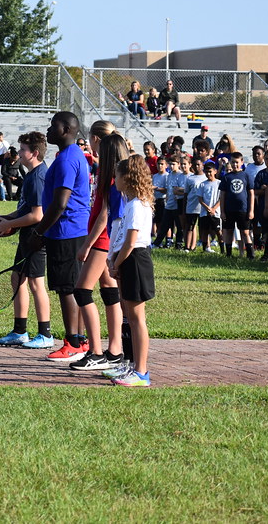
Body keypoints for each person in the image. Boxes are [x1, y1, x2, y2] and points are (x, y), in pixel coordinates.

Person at [27, 111, 91, 361]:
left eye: (53, 125)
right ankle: (81, 341)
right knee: (74, 287)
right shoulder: (72, 154)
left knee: (67, 289)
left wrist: (39, 231)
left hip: (66, 231)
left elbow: (60, 203)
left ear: (66, 130)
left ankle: (73, 342)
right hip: (71, 229)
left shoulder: (66, 159)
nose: (48, 129)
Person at [68, 126, 129, 372]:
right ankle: (114, 351)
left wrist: (87, 243)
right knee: (109, 292)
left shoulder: (112, 179)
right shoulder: (114, 175)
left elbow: (104, 215)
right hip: (106, 239)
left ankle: (95, 351)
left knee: (82, 291)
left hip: (102, 240)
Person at [0, 131, 53, 349]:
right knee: (18, 279)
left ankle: (45, 334)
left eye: (23, 150)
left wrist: (10, 225)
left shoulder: (38, 177)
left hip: (37, 238)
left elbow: (38, 215)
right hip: (27, 237)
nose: (19, 153)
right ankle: (19, 331)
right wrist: (8, 218)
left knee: (36, 283)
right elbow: (26, 209)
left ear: (34, 153)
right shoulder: (31, 175)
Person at [106, 154, 157, 387]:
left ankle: (141, 371)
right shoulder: (131, 203)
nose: (114, 179)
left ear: (128, 178)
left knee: (137, 319)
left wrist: (116, 263)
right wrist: (114, 260)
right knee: (130, 318)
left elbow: (130, 241)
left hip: (135, 260)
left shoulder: (137, 205)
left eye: (117, 175)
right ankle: (134, 367)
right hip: (128, 260)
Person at [220, 152, 255, 259]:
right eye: (233, 162)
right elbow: (222, 195)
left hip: (243, 209)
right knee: (229, 231)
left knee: (245, 232)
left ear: (241, 162)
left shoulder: (246, 176)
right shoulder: (227, 177)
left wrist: (251, 210)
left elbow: (251, 194)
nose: (235, 165)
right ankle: (229, 253)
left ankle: (250, 255)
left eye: (237, 162)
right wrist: (222, 211)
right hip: (229, 209)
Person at [153, 154, 185, 249]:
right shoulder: (170, 175)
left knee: (179, 226)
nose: (171, 166)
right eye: (170, 164)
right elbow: (168, 189)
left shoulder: (180, 175)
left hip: (177, 204)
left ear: (178, 164)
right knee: (164, 225)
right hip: (169, 204)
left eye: (173, 164)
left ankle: (178, 244)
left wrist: (177, 192)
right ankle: (157, 243)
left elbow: (182, 189)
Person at [196, 161, 222, 253]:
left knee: (218, 231)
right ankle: (206, 248)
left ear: (215, 171)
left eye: (210, 171)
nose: (208, 174)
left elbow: (221, 198)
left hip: (216, 212)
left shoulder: (219, 183)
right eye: (206, 172)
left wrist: (214, 209)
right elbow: (200, 199)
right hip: (204, 212)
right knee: (204, 231)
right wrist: (207, 208)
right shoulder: (202, 184)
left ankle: (223, 249)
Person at [183, 158, 206, 251]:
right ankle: (187, 246)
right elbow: (186, 194)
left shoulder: (205, 177)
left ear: (202, 165)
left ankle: (203, 245)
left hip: (203, 207)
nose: (197, 167)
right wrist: (184, 207)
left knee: (203, 228)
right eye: (195, 165)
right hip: (192, 206)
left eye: (198, 165)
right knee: (190, 227)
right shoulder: (190, 178)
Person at [151, 157, 169, 243]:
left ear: (166, 165)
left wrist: (156, 188)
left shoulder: (167, 176)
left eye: (162, 164)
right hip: (156, 200)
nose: (160, 166)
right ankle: (159, 240)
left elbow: (166, 189)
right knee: (157, 221)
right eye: (158, 164)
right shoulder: (155, 176)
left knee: (164, 221)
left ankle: (168, 239)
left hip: (163, 199)